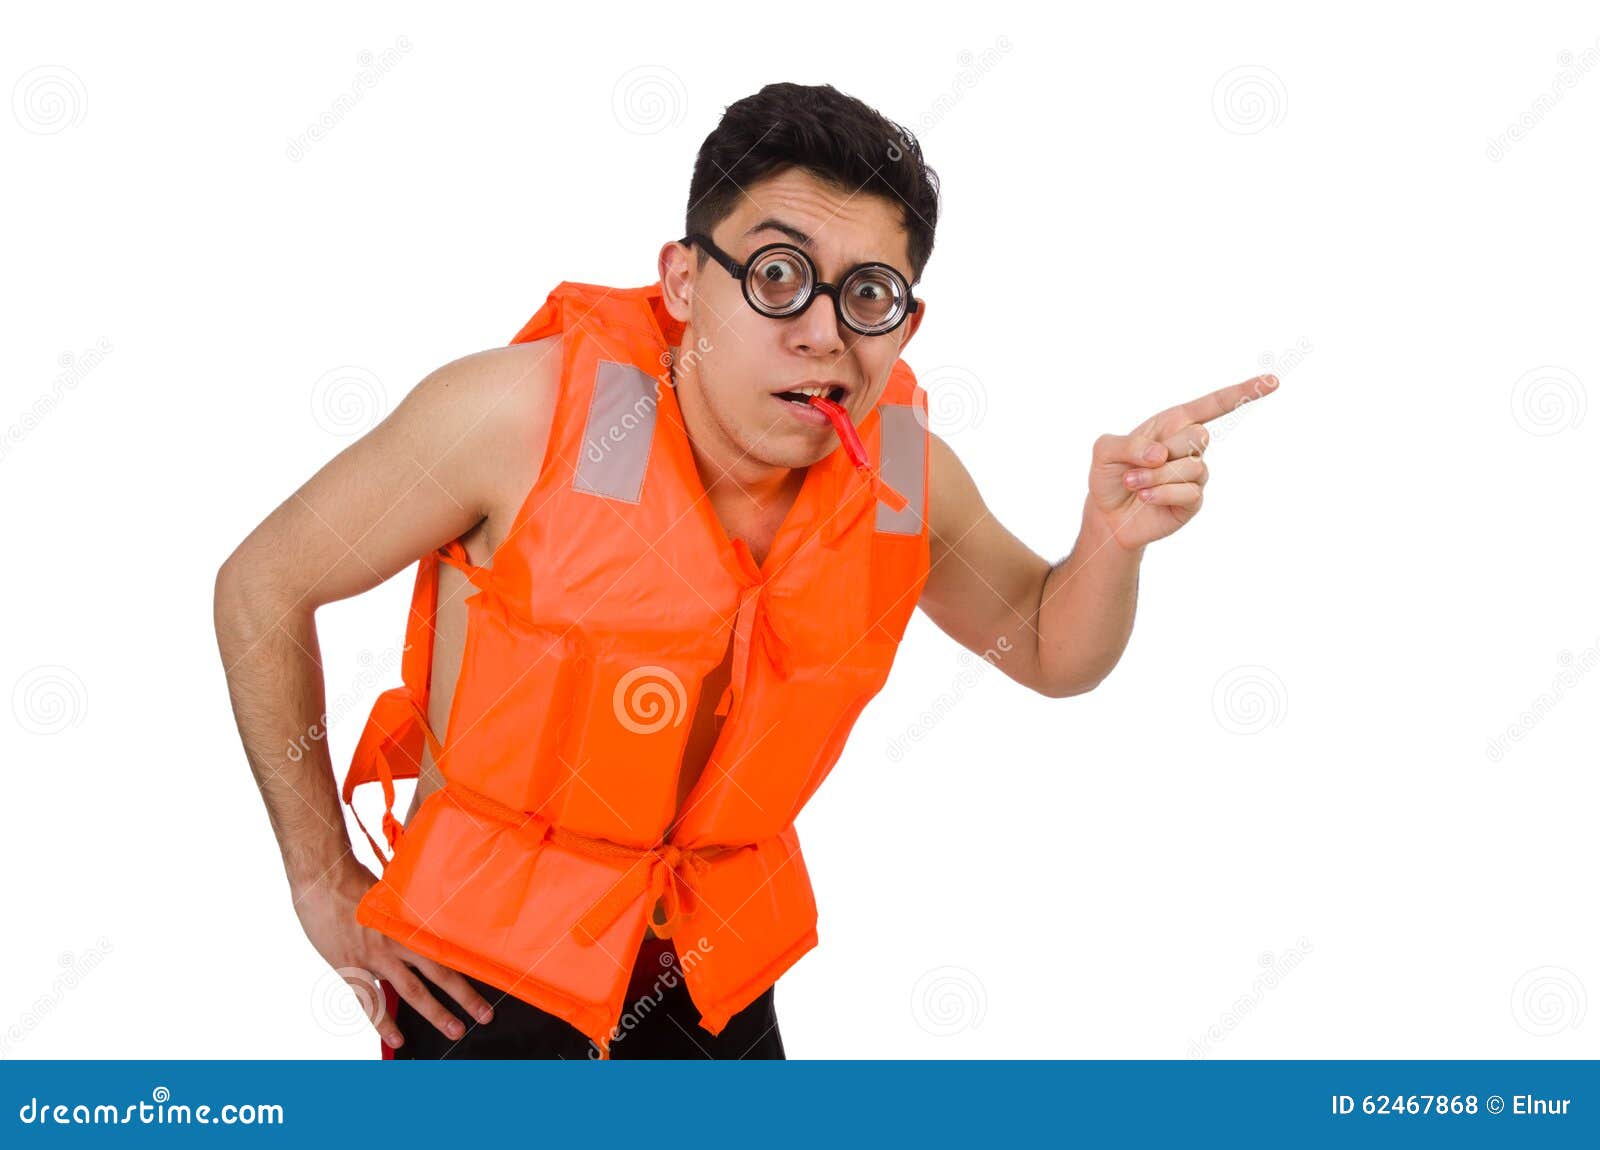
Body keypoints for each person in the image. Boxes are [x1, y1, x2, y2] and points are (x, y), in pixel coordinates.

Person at [213, 81, 1277, 1060]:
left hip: (710, 983)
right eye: (776, 277)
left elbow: (1051, 648)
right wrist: (320, 876)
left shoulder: (901, 472)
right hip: (478, 984)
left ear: (906, 322)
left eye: (868, 295)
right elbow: (263, 584)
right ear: (683, 281)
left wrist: (1109, 541)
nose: (823, 334)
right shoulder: (523, 418)